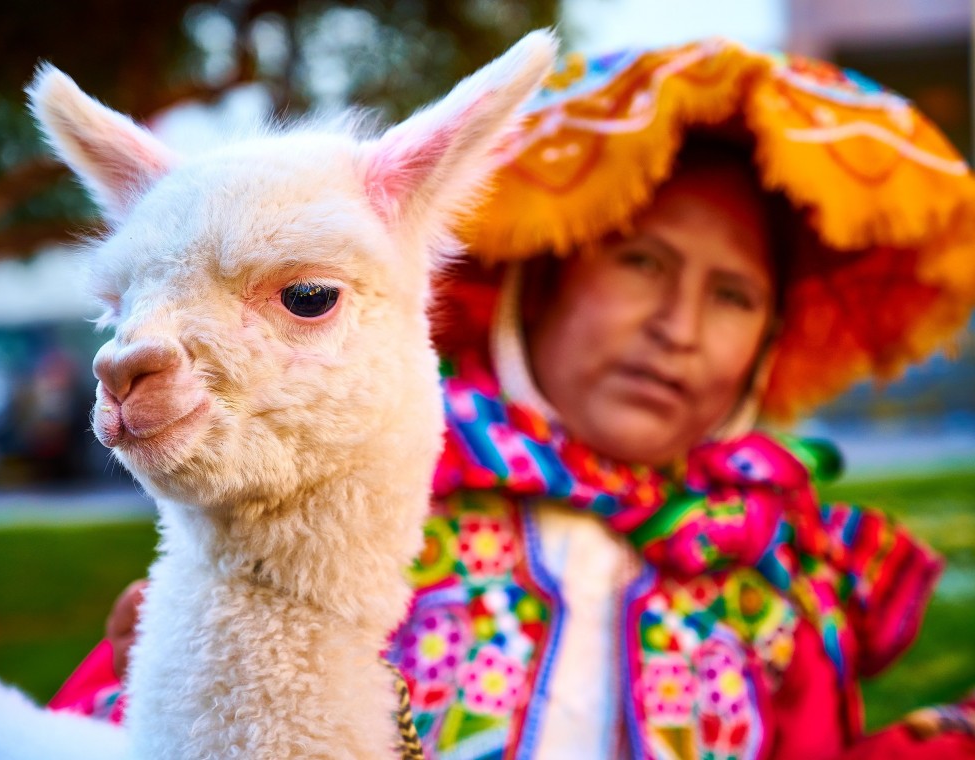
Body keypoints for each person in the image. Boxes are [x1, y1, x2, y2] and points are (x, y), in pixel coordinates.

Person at [51, 39, 975, 759]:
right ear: (544, 279)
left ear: (771, 335)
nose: (679, 327)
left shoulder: (780, 577)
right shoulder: (347, 498)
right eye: (642, 264)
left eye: (733, 296)